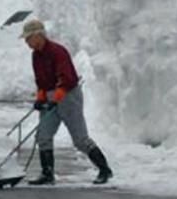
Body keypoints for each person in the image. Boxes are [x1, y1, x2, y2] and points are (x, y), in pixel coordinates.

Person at [20, 19, 113, 185]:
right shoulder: (36, 56)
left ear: (38, 36)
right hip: (51, 97)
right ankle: (47, 174)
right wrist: (41, 99)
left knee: (80, 139)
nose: (26, 43)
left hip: (69, 95)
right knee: (43, 135)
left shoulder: (58, 51)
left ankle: (104, 170)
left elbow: (67, 79)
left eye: (28, 39)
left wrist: (56, 99)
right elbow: (40, 80)